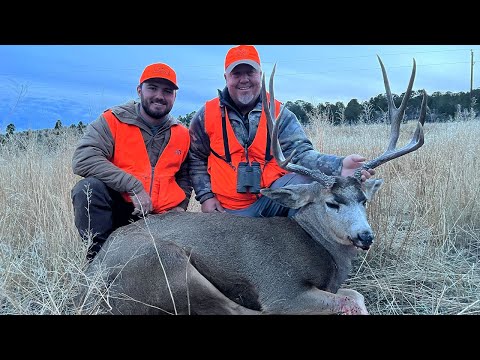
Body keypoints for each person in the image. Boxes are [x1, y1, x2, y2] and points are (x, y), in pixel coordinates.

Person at [188, 45, 375, 217]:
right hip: (226, 208)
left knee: (313, 185)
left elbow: (301, 154)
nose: (244, 79)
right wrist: (206, 197)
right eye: (237, 73)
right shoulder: (207, 115)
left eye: (250, 72)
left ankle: (310, 248)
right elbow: (195, 158)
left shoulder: (280, 113)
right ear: (226, 78)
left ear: (260, 74)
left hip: (271, 198)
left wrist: (340, 165)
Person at [71, 62, 192, 261]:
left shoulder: (182, 133)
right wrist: (132, 186)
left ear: (174, 96)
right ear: (139, 90)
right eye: (152, 88)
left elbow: (185, 174)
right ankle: (98, 264)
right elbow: (84, 159)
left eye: (167, 91)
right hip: (120, 210)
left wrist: (181, 206)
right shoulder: (113, 120)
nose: (160, 96)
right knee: (88, 189)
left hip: (162, 219)